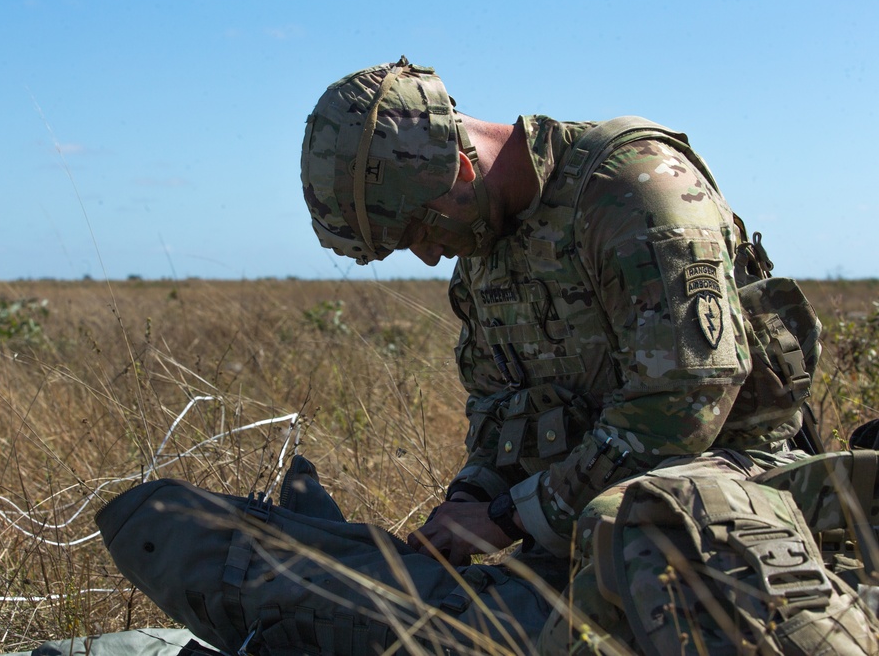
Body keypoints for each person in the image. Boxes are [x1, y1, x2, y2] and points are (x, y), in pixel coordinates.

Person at [300, 56, 877, 654]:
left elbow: (686, 400)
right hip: (578, 516)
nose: (426, 257)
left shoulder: (633, 187)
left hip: (722, 496)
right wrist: (471, 500)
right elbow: (500, 412)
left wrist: (507, 518)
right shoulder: (482, 247)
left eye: (421, 230)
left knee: (639, 537)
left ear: (464, 167)